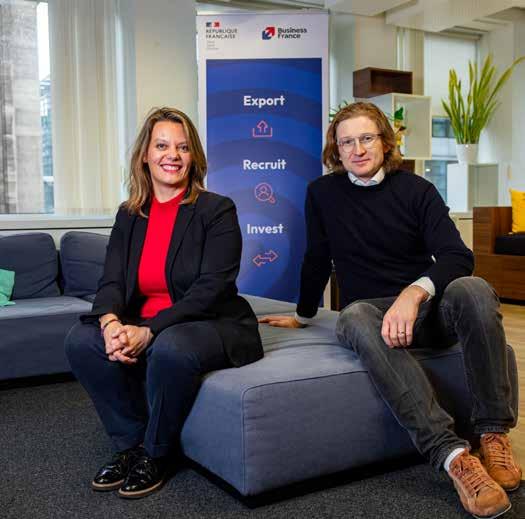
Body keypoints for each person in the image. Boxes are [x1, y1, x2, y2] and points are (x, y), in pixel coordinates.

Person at [260, 101, 521, 518]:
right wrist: (304, 315)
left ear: (384, 141)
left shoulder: (417, 190)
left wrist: (414, 294)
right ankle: (455, 457)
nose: (358, 149)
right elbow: (317, 258)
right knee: (353, 315)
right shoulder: (321, 194)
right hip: (372, 317)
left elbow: (457, 255)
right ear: (336, 149)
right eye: (347, 142)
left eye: (366, 138)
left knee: (472, 289)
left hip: (425, 311)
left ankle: (493, 435)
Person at [65, 107, 263, 499]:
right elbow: (112, 281)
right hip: (145, 321)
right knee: (81, 340)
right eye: (162, 146)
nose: (172, 155)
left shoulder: (216, 209)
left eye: (183, 147)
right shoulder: (129, 214)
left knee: (171, 346)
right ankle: (131, 444)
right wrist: (110, 323)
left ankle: (157, 453)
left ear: (194, 157)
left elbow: (212, 288)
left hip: (210, 323)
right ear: (145, 155)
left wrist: (149, 329)